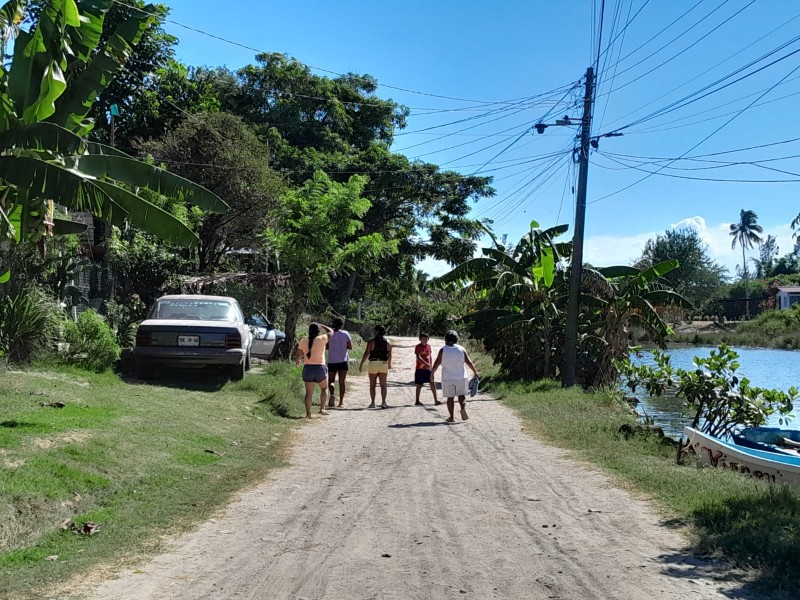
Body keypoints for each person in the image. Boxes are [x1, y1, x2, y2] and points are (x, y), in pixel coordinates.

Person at [431, 330, 478, 422]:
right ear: (456, 339)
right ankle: (462, 408)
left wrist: (432, 373)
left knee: (450, 398)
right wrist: (475, 372)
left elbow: (437, 363)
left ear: (446, 339)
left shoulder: (443, 350)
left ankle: (451, 417)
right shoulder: (461, 349)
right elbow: (468, 362)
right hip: (461, 377)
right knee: (462, 396)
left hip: (448, 377)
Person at [295, 322, 335, 418]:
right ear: (318, 331)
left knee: (309, 393)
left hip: (308, 368)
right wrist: (322, 325)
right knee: (324, 388)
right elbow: (331, 332)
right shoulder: (322, 339)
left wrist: (297, 361)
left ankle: (308, 413)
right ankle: (322, 409)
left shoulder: (303, 341)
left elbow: (298, 354)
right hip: (320, 368)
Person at [358, 324, 392, 409]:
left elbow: (366, 353)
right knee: (383, 385)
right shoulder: (388, 342)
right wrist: (389, 364)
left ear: (376, 332)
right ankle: (383, 402)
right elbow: (390, 355)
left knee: (372, 385)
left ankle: (373, 402)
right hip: (383, 363)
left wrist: (361, 364)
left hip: (373, 363)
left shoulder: (371, 341)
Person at [327, 317, 353, 407]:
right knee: (342, 381)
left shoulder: (330, 334)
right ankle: (341, 402)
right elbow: (350, 347)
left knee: (331, 380)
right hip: (343, 360)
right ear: (341, 325)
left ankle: (332, 394)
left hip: (332, 360)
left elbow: (326, 346)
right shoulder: (345, 334)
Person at [414, 332, 440, 406]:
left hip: (428, 369)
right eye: (422, 339)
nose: (424, 340)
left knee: (432, 383)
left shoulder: (429, 346)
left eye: (425, 339)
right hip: (420, 369)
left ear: (428, 339)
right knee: (419, 385)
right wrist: (426, 364)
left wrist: (431, 366)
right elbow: (418, 357)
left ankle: (436, 400)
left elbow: (430, 356)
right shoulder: (418, 347)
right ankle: (417, 401)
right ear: (420, 339)